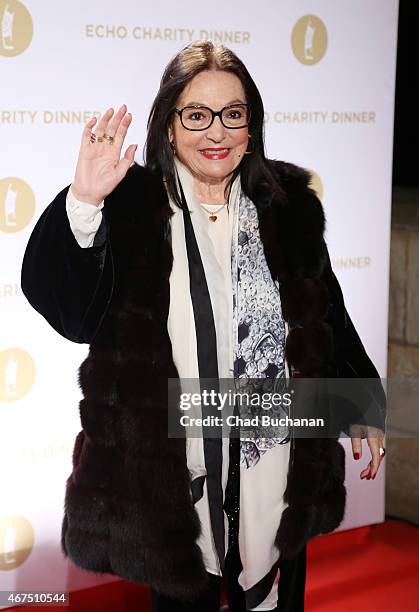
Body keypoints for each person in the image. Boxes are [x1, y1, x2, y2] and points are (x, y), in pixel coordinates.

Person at [21, 41, 386, 612]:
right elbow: (69, 311)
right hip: (172, 472)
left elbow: (324, 311)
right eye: (196, 115)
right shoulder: (132, 206)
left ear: (251, 125)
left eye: (233, 114)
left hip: (275, 464)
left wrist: (362, 402)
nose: (216, 132)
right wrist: (85, 202)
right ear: (169, 126)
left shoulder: (286, 206)